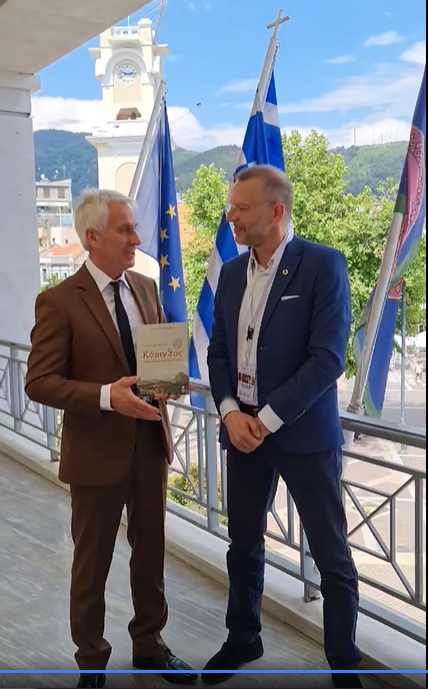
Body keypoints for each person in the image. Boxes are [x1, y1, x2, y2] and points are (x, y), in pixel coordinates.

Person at [25, 190, 197, 689]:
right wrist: (106, 396)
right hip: (96, 454)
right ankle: (92, 660)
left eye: (135, 228)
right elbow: (39, 382)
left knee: (151, 555)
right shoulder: (59, 301)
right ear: (93, 237)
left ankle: (150, 646)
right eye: (125, 230)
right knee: (92, 563)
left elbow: (155, 360)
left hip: (149, 444)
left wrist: (169, 384)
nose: (137, 240)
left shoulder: (145, 288)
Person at [204, 166, 363, 689]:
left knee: (331, 556)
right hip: (241, 433)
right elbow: (219, 351)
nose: (230, 216)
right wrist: (230, 411)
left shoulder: (322, 265)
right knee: (243, 543)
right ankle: (242, 637)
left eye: (241, 208)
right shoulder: (231, 273)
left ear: (275, 211)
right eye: (231, 206)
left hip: (301, 436)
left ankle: (344, 662)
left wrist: (266, 420)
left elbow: (327, 359)